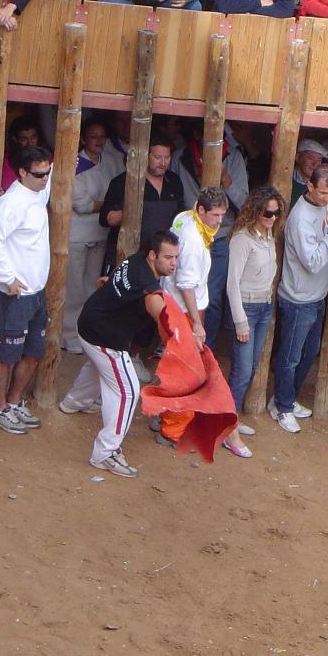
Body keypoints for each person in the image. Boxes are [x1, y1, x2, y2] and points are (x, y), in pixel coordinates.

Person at [61, 230, 182, 478]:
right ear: (152, 255)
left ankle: (74, 402)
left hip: (88, 325)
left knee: (98, 367)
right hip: (105, 339)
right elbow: (156, 305)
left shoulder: (136, 260)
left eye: (176, 257)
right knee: (128, 391)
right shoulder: (147, 282)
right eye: (168, 257)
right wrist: (177, 331)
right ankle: (106, 452)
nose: (173, 263)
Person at [0, 145, 52, 435]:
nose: (46, 178)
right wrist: (6, 277)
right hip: (13, 294)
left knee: (33, 351)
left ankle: (12, 402)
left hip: (36, 292)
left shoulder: (38, 191)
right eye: (39, 174)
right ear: (22, 172)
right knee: (4, 354)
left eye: (48, 172)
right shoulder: (10, 203)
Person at [155, 187, 231, 447]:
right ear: (201, 210)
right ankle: (172, 430)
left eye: (222, 215)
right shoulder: (194, 240)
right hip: (185, 311)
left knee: (174, 364)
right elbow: (187, 284)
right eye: (215, 216)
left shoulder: (185, 218)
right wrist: (197, 323)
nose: (219, 222)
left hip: (173, 305)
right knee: (187, 371)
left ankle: (165, 414)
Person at [270, 163, 328, 433]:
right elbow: (312, 261)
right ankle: (282, 407)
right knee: (290, 357)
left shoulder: (322, 207)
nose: (327, 198)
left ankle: (285, 399)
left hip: (315, 297)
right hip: (298, 299)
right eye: (323, 193)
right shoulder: (299, 219)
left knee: (308, 353)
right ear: (309, 186)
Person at [170, 126, 249, 347]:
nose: (214, 143)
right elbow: (174, 195)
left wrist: (226, 180)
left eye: (220, 138)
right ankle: (180, 343)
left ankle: (206, 347)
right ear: (196, 135)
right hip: (192, 230)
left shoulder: (233, 159)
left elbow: (245, 204)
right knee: (181, 291)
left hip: (220, 238)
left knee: (211, 298)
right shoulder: (181, 157)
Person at [226, 186, 284, 442]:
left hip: (263, 306)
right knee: (241, 370)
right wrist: (240, 321)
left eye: (276, 213)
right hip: (247, 308)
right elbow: (232, 283)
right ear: (255, 211)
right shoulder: (242, 239)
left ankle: (230, 420)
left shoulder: (269, 236)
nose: (272, 218)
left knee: (249, 367)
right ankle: (228, 424)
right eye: (267, 213)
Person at [63, 120, 119, 354]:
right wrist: (110, 206)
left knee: (91, 288)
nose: (98, 141)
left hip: (101, 233)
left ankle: (85, 334)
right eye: (93, 136)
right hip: (76, 235)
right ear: (83, 139)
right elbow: (82, 205)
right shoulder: (74, 164)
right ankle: (67, 335)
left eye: (102, 136)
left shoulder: (111, 162)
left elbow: (118, 193)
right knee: (73, 289)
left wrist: (107, 206)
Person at [99, 135, 185, 275]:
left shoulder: (174, 181)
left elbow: (180, 216)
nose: (163, 163)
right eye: (157, 157)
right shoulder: (122, 182)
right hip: (127, 254)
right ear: (146, 155)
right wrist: (130, 210)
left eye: (167, 157)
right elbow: (105, 219)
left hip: (160, 259)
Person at [1, 115, 45, 191]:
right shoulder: (6, 163)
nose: (30, 143)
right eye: (24, 139)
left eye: (33, 137)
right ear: (15, 139)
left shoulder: (47, 159)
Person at [290, 138, 328, 205]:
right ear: (298, 157)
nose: (315, 164)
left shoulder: (321, 185)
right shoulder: (284, 180)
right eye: (310, 158)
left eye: (319, 160)